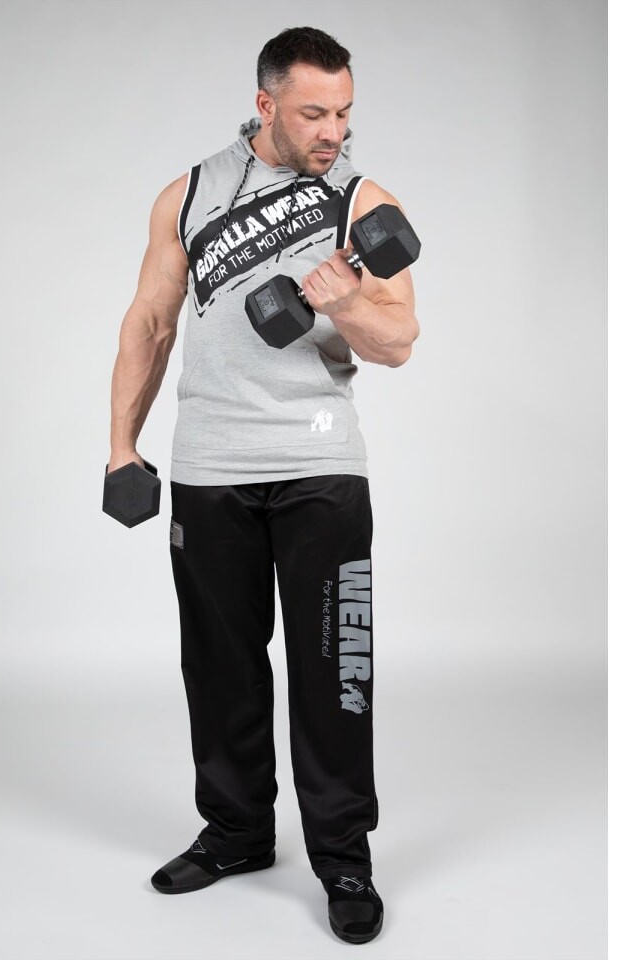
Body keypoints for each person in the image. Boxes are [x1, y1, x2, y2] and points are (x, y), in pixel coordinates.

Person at [107, 26, 419, 945]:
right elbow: (150, 322)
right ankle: (237, 832)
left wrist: (345, 300)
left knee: (334, 671)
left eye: (345, 112)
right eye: (315, 113)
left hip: (320, 462)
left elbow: (400, 342)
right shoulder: (187, 195)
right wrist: (121, 445)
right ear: (265, 104)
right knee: (220, 666)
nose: (334, 131)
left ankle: (344, 858)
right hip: (210, 466)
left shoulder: (363, 202)